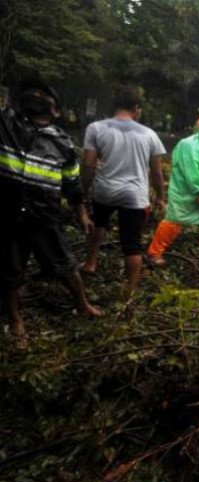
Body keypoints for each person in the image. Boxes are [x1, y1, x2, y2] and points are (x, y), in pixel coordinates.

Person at [0, 77, 101, 340]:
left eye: (42, 95)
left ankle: (82, 304)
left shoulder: (62, 142)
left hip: (45, 215)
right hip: (9, 214)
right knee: (10, 269)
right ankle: (15, 319)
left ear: (55, 109)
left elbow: (71, 182)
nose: (35, 96)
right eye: (31, 93)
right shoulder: (6, 125)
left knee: (66, 264)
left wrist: (81, 213)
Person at [81, 86, 167, 299]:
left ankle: (90, 263)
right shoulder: (149, 135)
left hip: (104, 189)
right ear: (136, 108)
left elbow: (89, 165)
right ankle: (129, 292)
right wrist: (161, 196)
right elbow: (157, 172)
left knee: (98, 223)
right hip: (134, 195)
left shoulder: (96, 128)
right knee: (132, 244)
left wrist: (83, 190)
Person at [146, 113, 199, 266]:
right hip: (184, 191)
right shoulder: (188, 145)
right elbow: (190, 171)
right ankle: (154, 253)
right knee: (174, 219)